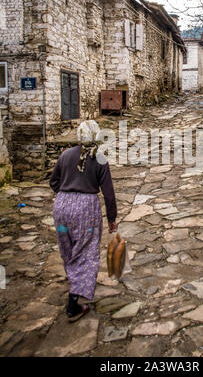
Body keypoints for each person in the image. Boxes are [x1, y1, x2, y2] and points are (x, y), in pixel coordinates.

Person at [50, 120, 117, 322]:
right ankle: (73, 304)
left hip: (61, 208)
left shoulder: (65, 155)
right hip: (85, 211)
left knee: (68, 249)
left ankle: (74, 282)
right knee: (85, 252)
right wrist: (112, 219)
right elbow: (109, 195)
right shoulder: (100, 159)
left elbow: (53, 182)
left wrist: (66, 194)